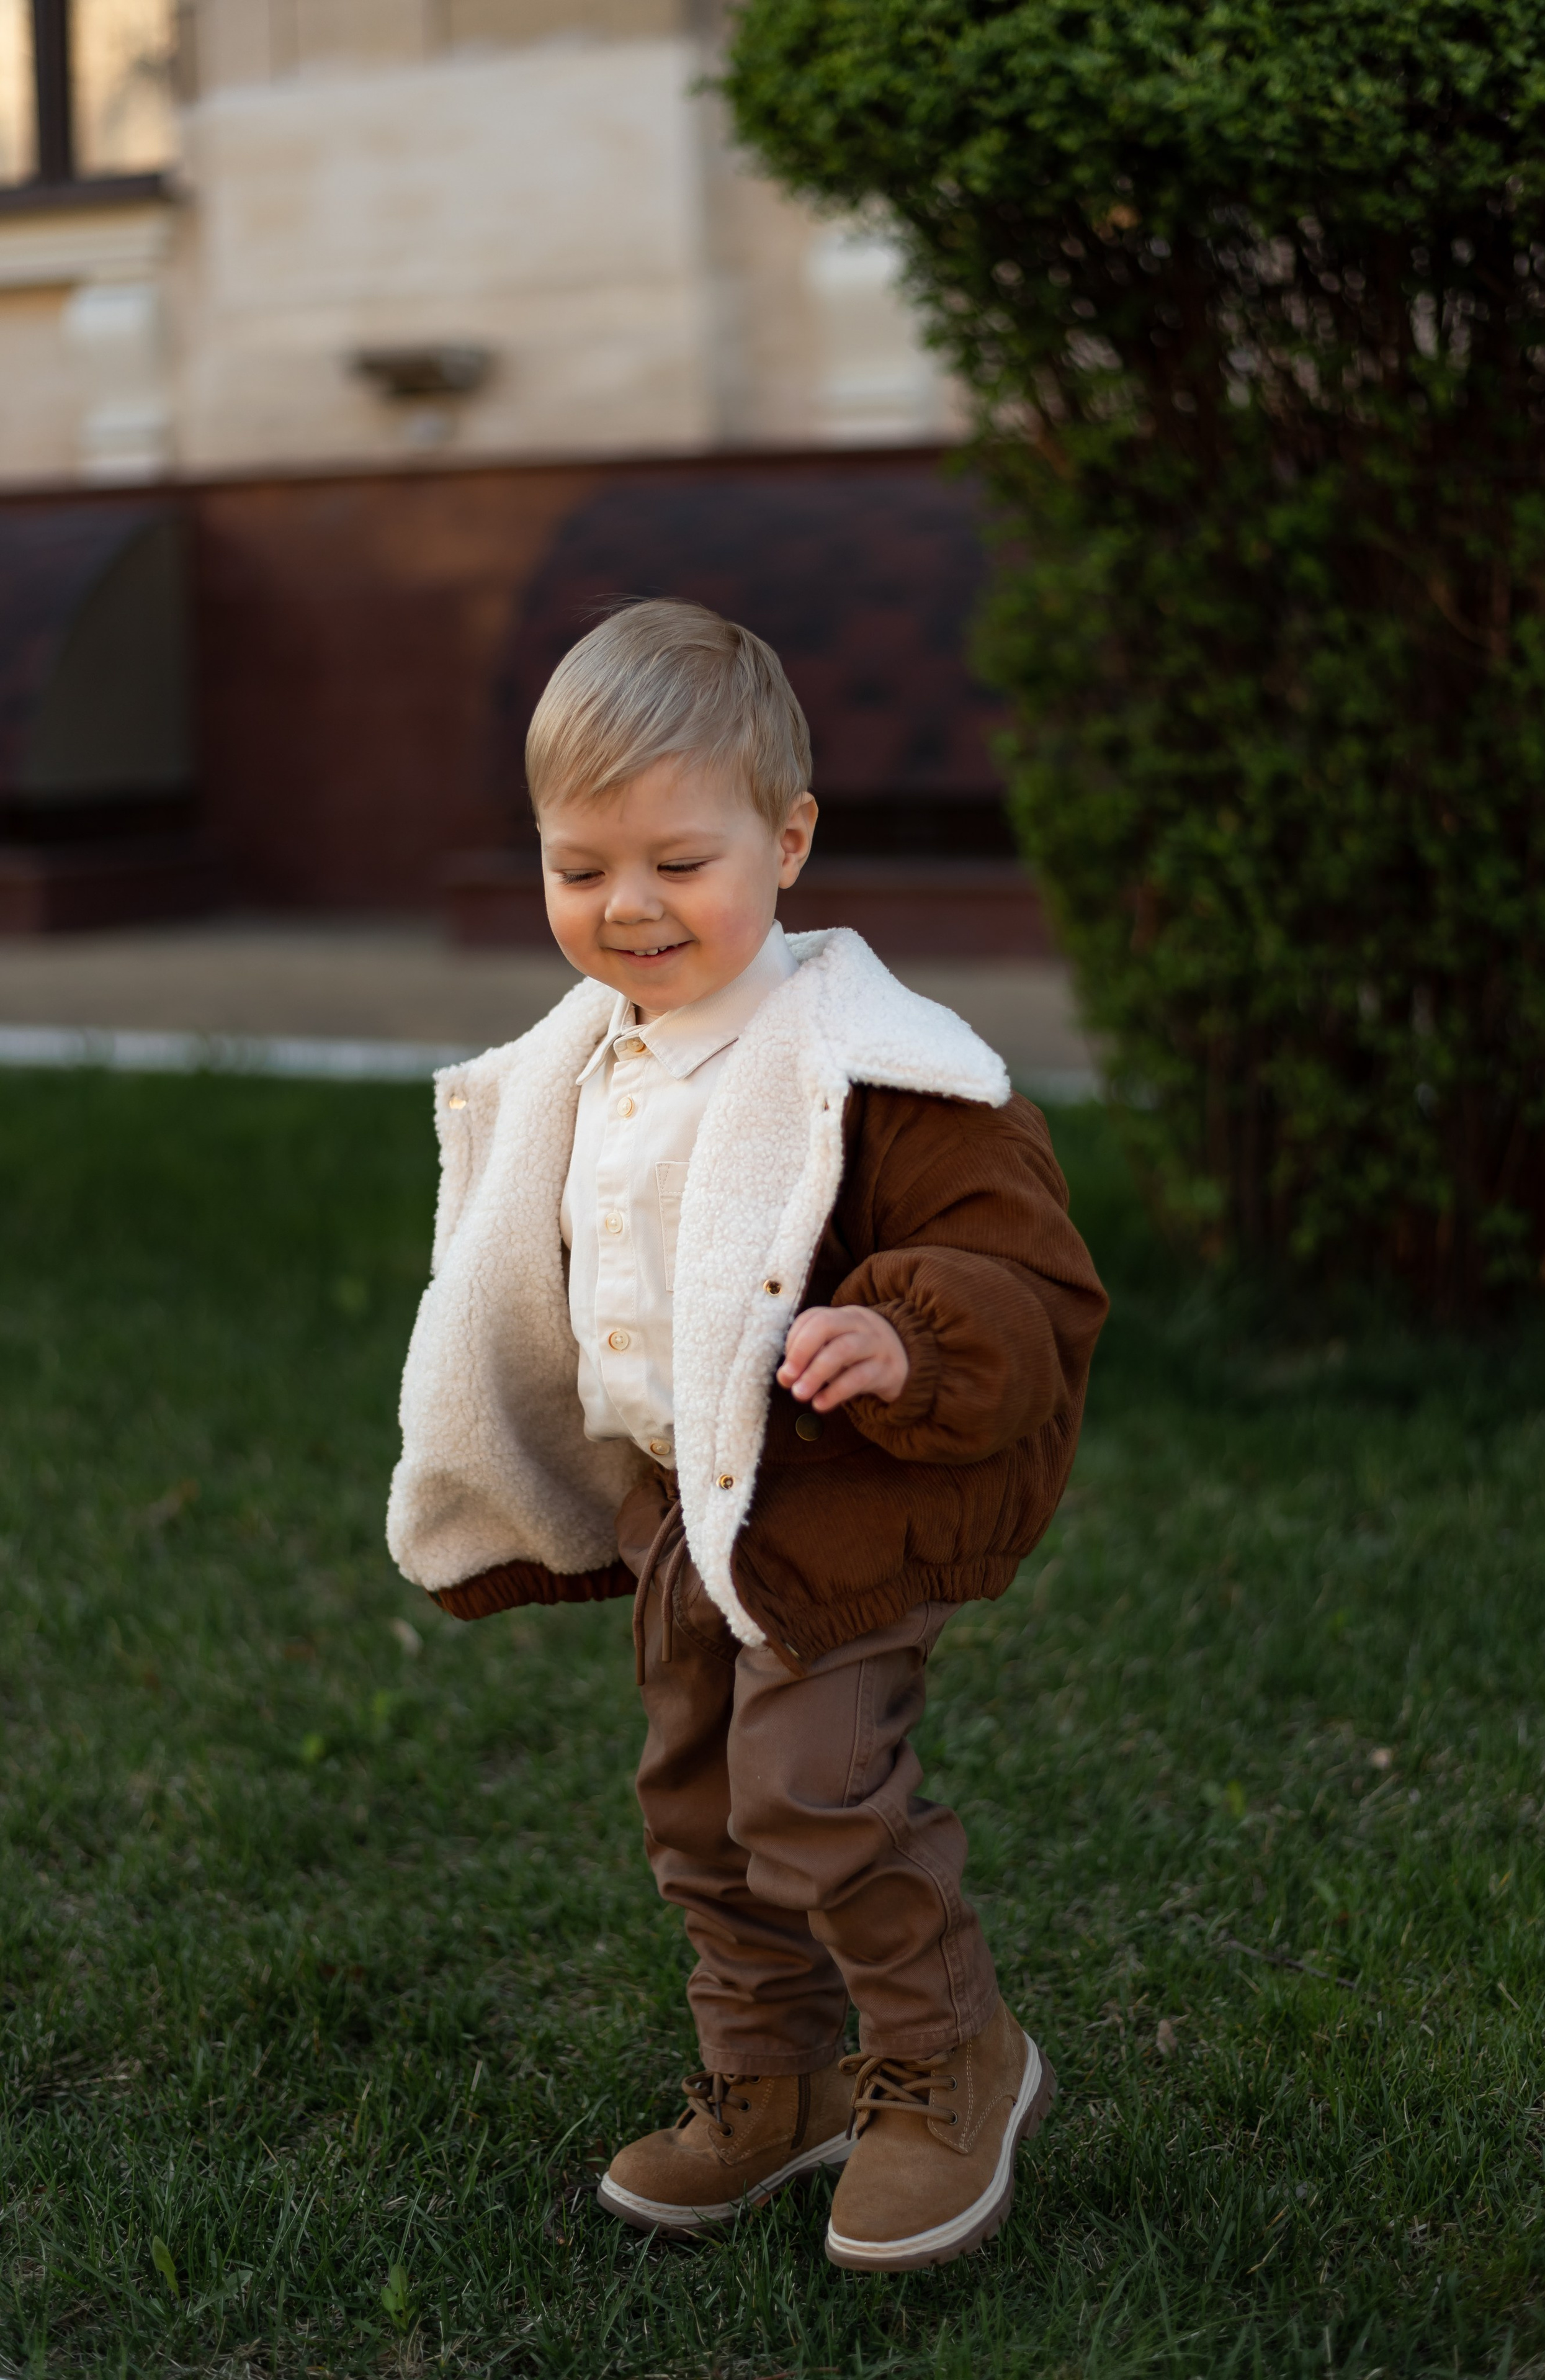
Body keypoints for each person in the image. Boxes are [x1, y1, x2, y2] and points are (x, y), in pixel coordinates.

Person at [387, 599, 1108, 2271]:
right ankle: (773, 2081)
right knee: (700, 1804)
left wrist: (903, 1328)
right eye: (580, 867)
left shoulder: (877, 1069)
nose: (627, 907)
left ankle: (950, 2056)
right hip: (679, 1515)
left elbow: (1023, 1266)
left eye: (677, 860)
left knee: (811, 1783)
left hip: (843, 1504)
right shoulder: (586, 1063)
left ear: (787, 843)